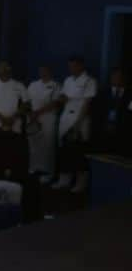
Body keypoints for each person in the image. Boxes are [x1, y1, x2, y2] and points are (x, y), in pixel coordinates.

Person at [53, 56, 97, 192]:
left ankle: (80, 182)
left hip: (79, 119)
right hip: (66, 117)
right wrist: (59, 98)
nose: (71, 68)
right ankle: (64, 179)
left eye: (73, 66)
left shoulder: (89, 81)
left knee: (78, 152)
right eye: (70, 66)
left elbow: (87, 103)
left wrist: (78, 123)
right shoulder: (68, 80)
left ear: (80, 66)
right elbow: (64, 97)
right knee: (64, 151)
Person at [25, 65, 61, 180]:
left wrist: (38, 112)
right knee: (33, 144)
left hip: (48, 118)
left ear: (50, 71)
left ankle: (48, 172)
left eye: (45, 70)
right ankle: (33, 167)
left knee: (48, 145)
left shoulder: (56, 85)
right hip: (32, 118)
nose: (42, 72)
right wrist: (31, 114)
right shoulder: (33, 84)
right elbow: (27, 101)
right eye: (41, 70)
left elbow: (55, 103)